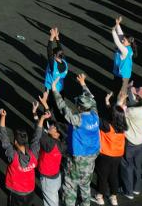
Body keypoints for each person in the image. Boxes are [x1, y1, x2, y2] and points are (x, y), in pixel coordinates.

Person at [52, 72, 99, 206]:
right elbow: (92, 100)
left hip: (76, 161)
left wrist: (54, 90)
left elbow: (63, 107)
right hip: (91, 160)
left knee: (70, 188)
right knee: (85, 186)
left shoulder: (77, 120)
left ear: (79, 107)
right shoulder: (95, 115)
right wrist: (83, 84)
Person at [0, 108, 41, 206]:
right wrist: (40, 118)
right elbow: (37, 136)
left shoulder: (13, 155)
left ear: (15, 142)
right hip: (30, 190)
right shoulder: (34, 153)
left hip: (16, 192)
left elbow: (3, 137)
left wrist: (3, 117)